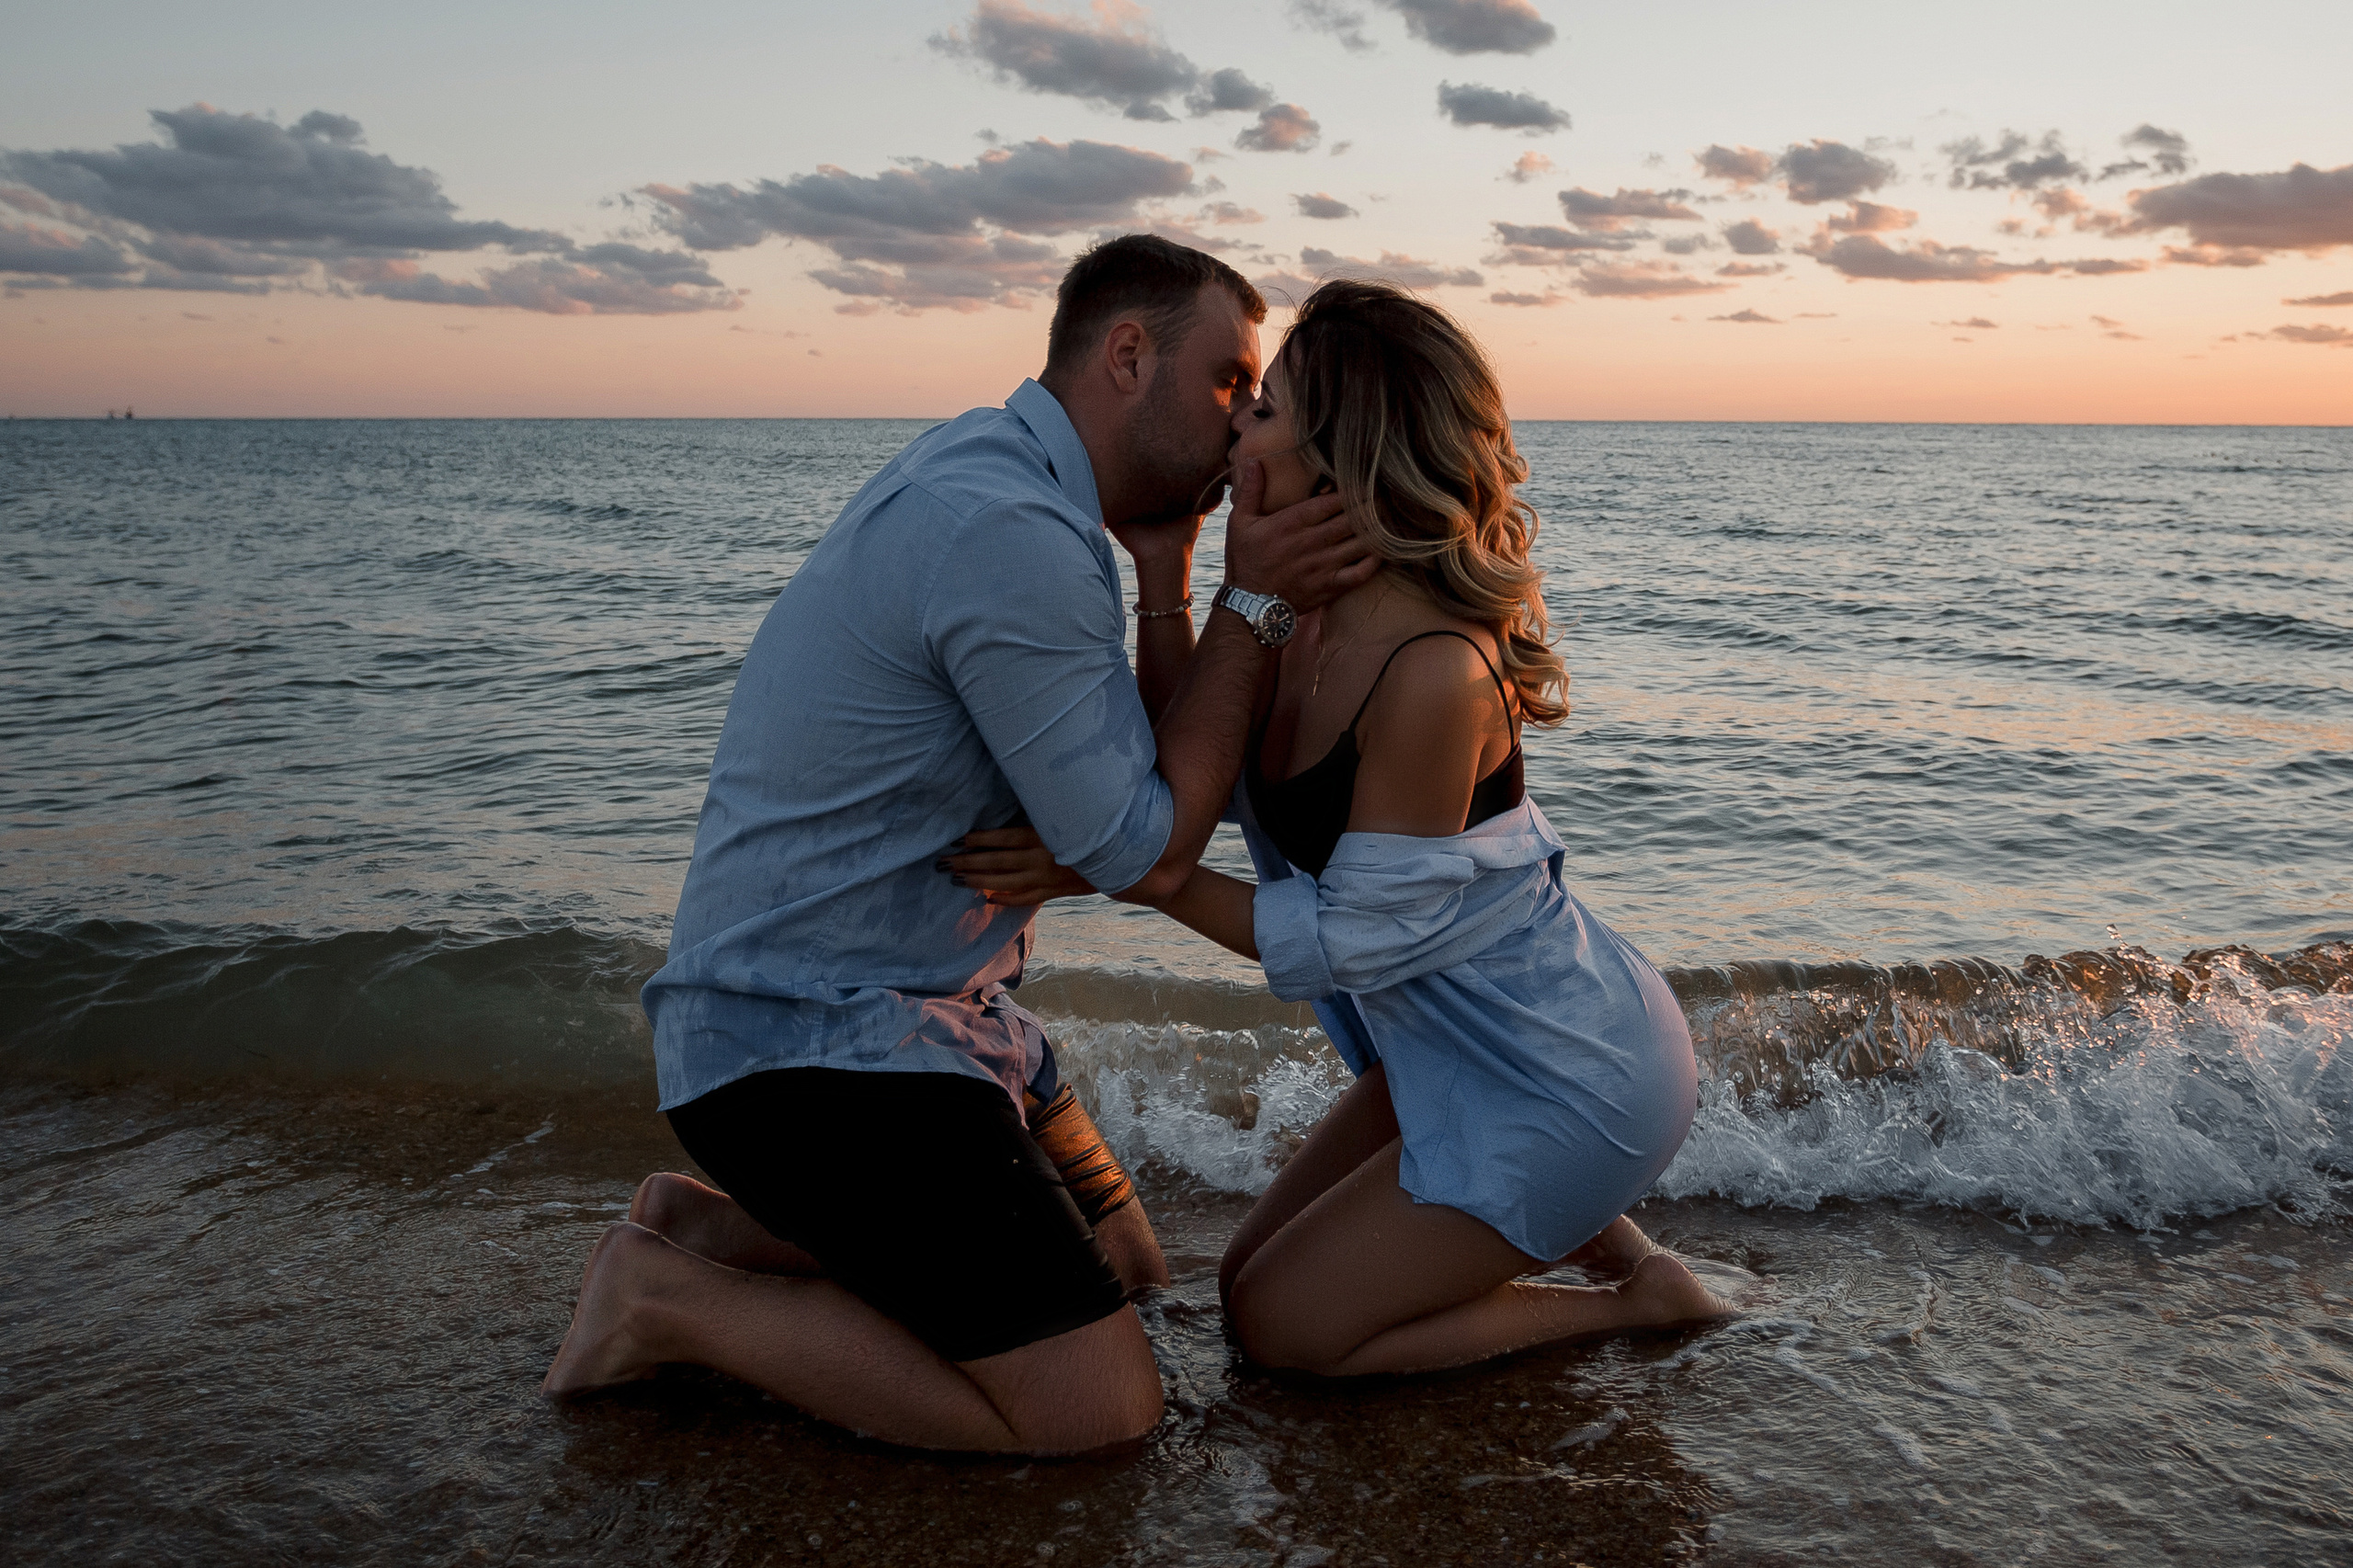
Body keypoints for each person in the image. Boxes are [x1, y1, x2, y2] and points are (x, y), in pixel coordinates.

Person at [540, 236, 1377, 1451]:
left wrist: (1173, 571)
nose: (1245, 419)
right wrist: (1254, 603)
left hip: (928, 1014)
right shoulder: (1008, 532)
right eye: (1226, 380)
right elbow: (1145, 839)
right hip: (819, 1053)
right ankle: (664, 1297)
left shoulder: (1002, 484)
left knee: (1128, 1262)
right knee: (1101, 1413)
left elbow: (1137, 789)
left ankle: (709, 1225)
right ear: (1127, 354)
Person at [949, 278, 1731, 1379]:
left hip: (1569, 1074)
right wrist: (1171, 569)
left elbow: (1350, 936)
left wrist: (1119, 867)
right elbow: (1192, 775)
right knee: (1237, 1285)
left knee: (1283, 1329)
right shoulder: (1292, 602)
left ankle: (1635, 1299)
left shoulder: (1432, 673)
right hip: (1442, 1052)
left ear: (1343, 452)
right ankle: (1581, 1241)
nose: (1234, 422)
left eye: (1262, 408)